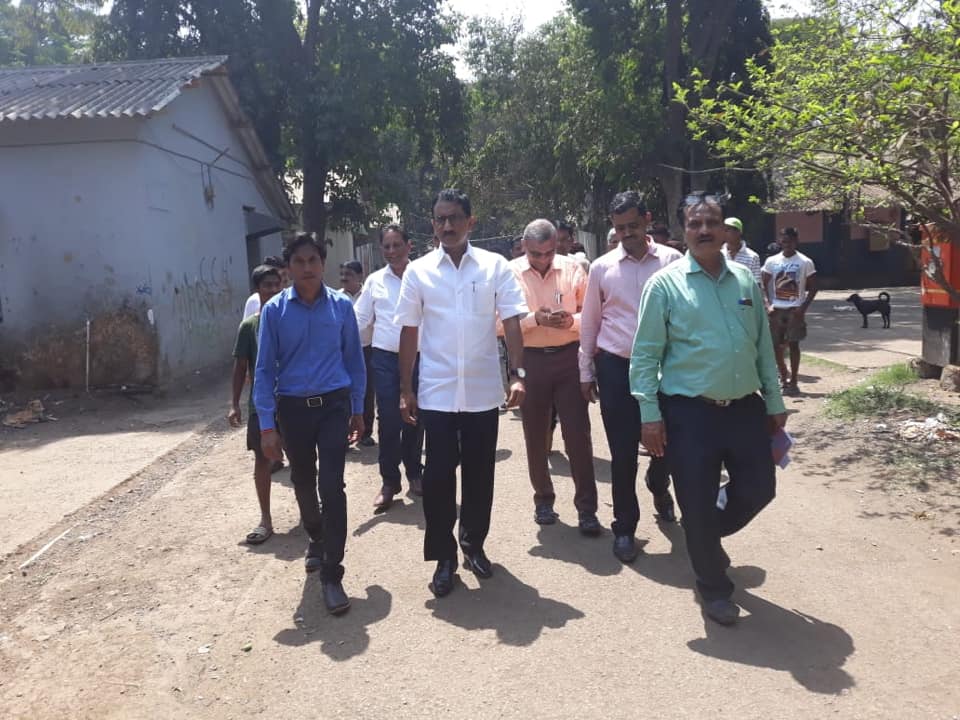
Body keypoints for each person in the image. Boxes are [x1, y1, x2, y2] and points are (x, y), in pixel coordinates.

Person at [630, 193, 787, 626]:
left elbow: (762, 347)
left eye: (711, 222)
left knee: (760, 488)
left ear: (724, 229)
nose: (704, 230)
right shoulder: (664, 285)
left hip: (744, 408)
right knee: (696, 500)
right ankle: (714, 588)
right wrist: (649, 415)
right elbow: (645, 356)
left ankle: (704, 532)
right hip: (689, 413)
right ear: (683, 230)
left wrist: (774, 402)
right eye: (695, 223)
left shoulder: (744, 281)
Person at [396, 189, 528, 598]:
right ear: (432, 224)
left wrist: (517, 375)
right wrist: (405, 388)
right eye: (440, 219)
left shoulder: (494, 266)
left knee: (479, 475)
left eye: (454, 217)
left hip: (482, 392)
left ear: (471, 221)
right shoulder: (418, 272)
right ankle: (444, 557)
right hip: (436, 393)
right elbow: (409, 331)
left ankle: (473, 544)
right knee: (437, 478)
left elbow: (512, 321)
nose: (447, 226)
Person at [254, 233, 366, 616]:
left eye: (313, 260)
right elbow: (264, 370)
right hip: (293, 409)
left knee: (332, 485)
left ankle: (332, 574)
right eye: (299, 262)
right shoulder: (274, 312)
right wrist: (267, 426)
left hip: (334, 405)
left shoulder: (341, 307)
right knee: (303, 480)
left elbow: (354, 361)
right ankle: (315, 536)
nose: (307, 268)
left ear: (322, 264)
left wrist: (358, 408)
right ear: (289, 268)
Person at [580, 190, 683, 564]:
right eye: (620, 228)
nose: (627, 234)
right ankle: (625, 527)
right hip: (617, 369)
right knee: (622, 452)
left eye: (634, 226)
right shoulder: (602, 268)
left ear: (648, 220)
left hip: (666, 370)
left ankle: (659, 481)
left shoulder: (673, 262)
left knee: (669, 442)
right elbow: (590, 321)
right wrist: (585, 370)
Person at [510, 219, 600, 534]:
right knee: (535, 435)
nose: (543, 260)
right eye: (535, 254)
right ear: (524, 247)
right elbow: (498, 323)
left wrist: (570, 322)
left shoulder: (573, 269)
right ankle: (543, 499)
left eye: (548, 253)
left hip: (568, 359)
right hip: (530, 360)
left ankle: (587, 509)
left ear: (557, 246)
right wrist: (535, 320)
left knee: (578, 434)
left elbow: (592, 315)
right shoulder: (510, 273)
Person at [355, 224, 425, 513]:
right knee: (389, 419)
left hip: (420, 357)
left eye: (397, 245)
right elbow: (360, 320)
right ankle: (389, 481)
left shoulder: (422, 275)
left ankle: (415, 473)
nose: (392, 251)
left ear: (409, 246)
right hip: (384, 359)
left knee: (415, 416)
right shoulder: (375, 281)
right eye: (386, 246)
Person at [228, 264, 284, 545]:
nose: (273, 290)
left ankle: (310, 513)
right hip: (261, 406)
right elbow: (240, 367)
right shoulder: (249, 327)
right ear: (257, 290)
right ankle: (266, 519)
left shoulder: (291, 320)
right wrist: (234, 403)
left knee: (302, 458)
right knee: (262, 460)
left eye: (277, 285)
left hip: (292, 402)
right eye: (266, 286)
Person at [761, 227, 818, 395]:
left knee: (794, 345)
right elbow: (762, 284)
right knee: (776, 347)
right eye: (784, 241)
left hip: (794, 311)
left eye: (790, 241)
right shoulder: (772, 261)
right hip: (776, 311)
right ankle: (783, 376)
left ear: (796, 241)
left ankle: (793, 381)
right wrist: (768, 305)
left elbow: (814, 287)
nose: (787, 244)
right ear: (780, 241)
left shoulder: (805, 262)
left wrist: (802, 308)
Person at [342, 260, 377, 445]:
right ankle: (345, 432)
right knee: (343, 390)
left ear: (360, 276)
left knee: (367, 390)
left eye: (349, 274)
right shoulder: (338, 298)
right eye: (342, 274)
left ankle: (365, 432)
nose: (344, 278)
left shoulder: (369, 294)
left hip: (366, 349)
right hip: (343, 351)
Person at [721, 217, 762, 285]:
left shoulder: (753, 257)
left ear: (739, 232)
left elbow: (757, 283)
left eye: (727, 230)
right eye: (723, 230)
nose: (724, 233)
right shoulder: (718, 255)